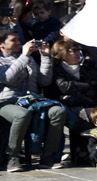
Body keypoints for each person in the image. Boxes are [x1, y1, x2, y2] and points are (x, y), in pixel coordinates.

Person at [0, 29, 67, 171]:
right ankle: (13, 158)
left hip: (32, 101)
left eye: (19, 40)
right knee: (21, 114)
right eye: (13, 40)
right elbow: (7, 79)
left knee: (58, 111)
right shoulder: (3, 61)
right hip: (7, 102)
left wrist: (45, 57)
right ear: (2, 45)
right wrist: (24, 56)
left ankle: (48, 157)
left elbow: (44, 81)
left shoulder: (29, 59)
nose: (18, 43)